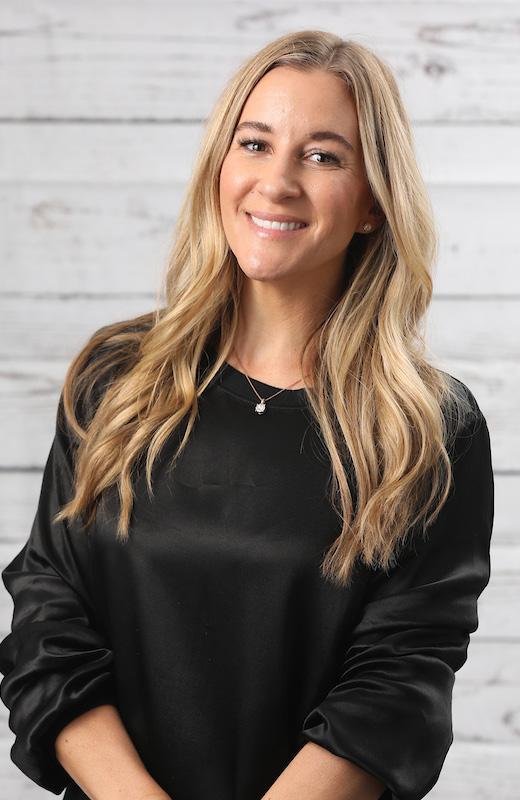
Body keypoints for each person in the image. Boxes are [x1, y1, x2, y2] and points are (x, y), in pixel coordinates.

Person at [0, 29, 494, 800]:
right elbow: (49, 622)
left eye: (323, 156)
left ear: (372, 203)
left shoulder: (428, 430)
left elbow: (397, 688)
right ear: (220, 167)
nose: (278, 182)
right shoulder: (115, 382)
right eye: (255, 144)